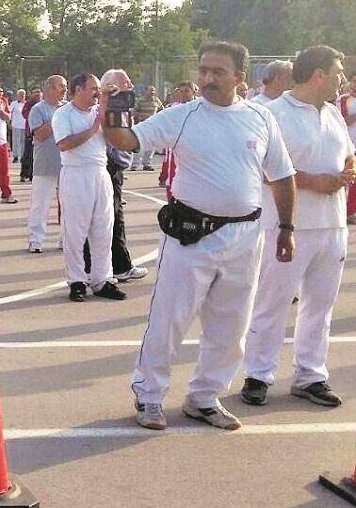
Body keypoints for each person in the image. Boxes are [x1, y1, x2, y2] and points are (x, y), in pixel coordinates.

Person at [103, 40, 296, 432]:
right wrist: (114, 106)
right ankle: (150, 394)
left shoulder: (261, 118)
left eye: (218, 72)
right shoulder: (182, 115)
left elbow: (282, 175)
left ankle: (205, 397)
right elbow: (124, 140)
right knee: (169, 319)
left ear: (240, 77)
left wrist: (287, 228)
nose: (207, 78)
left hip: (246, 236)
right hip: (191, 235)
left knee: (231, 326)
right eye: (203, 70)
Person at [242, 46, 352, 409]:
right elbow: (261, 168)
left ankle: (310, 375)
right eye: (338, 72)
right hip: (288, 226)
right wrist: (312, 181)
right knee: (272, 302)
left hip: (332, 226)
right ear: (318, 75)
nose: (343, 79)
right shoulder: (273, 113)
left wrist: (348, 169)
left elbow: (347, 152)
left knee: (320, 306)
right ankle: (258, 374)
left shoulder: (334, 114)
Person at [51, 73, 126, 302]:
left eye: (98, 88)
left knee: (104, 229)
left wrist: (109, 109)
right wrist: (93, 129)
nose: (97, 92)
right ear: (78, 89)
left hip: (100, 174)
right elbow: (64, 144)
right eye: (93, 88)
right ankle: (76, 281)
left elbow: (117, 141)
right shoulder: (63, 114)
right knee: (75, 232)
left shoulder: (99, 112)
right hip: (75, 174)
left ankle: (102, 280)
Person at [84, 70, 147, 283]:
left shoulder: (122, 107)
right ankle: (118, 266)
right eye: (124, 82)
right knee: (110, 218)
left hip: (115, 166)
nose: (129, 85)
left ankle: (106, 266)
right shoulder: (106, 108)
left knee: (112, 217)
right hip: (107, 166)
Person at [26, 75, 66, 253]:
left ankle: (65, 239)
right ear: (49, 88)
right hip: (45, 164)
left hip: (67, 164)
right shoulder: (38, 109)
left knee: (68, 204)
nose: (64, 90)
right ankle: (36, 240)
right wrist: (56, 119)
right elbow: (40, 135)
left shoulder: (67, 109)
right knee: (40, 204)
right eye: (60, 86)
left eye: (65, 86)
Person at [130, 85, 164, 170]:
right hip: (142, 125)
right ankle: (135, 164)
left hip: (153, 126)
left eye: (153, 90)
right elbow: (135, 111)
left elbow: (161, 110)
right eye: (150, 90)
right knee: (140, 145)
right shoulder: (140, 100)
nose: (152, 92)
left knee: (151, 146)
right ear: (146, 91)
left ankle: (147, 164)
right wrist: (139, 117)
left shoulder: (156, 100)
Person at [340, 77, 356, 224]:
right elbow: (343, 120)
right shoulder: (344, 99)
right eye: (354, 82)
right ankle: (349, 211)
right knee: (350, 179)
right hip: (350, 144)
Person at [19, 86, 41, 182]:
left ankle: (33, 174)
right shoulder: (28, 104)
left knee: (37, 155)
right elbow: (25, 114)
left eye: (38, 92)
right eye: (35, 92)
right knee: (27, 155)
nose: (37, 94)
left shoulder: (43, 104)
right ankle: (24, 174)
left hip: (41, 133)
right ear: (31, 94)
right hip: (30, 133)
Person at [9, 89, 27, 161]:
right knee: (16, 140)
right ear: (17, 95)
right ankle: (15, 156)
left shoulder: (26, 103)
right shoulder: (13, 103)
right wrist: (9, 122)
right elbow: (9, 112)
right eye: (20, 95)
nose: (22, 96)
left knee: (23, 141)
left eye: (23, 95)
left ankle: (22, 156)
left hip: (24, 125)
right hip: (16, 124)